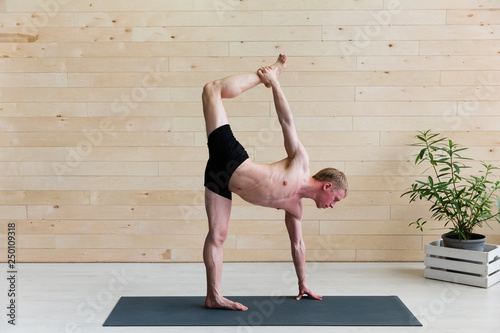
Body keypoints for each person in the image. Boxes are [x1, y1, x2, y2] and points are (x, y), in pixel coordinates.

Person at [202, 54, 348, 311]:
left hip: (219, 180)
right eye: (336, 199)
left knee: (218, 235)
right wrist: (273, 82)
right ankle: (269, 73)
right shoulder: (301, 163)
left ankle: (213, 297)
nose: (333, 205)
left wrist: (302, 283)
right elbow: (286, 122)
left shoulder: (296, 209)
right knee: (211, 90)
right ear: (327, 186)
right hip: (233, 160)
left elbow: (297, 245)